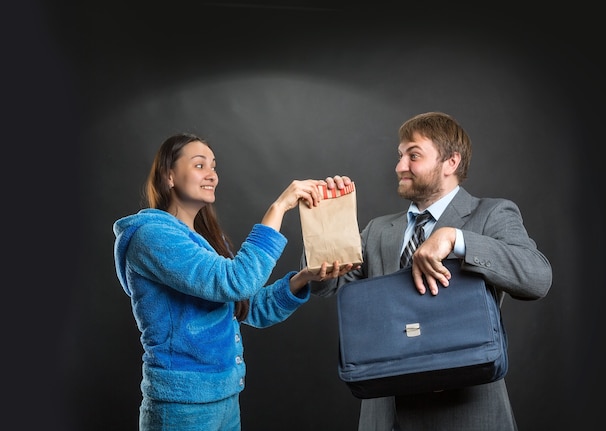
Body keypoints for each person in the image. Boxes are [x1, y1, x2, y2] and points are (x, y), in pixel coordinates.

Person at [309, 112, 553, 431]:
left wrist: (456, 238)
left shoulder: (492, 214)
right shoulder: (377, 230)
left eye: (413, 155)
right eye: (400, 156)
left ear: (451, 161)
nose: (400, 167)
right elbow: (325, 285)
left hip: (466, 415)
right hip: (386, 417)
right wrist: (326, 222)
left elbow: (537, 277)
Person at [112, 132, 356, 431]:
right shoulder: (151, 237)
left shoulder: (204, 243)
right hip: (182, 409)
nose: (212, 175)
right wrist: (278, 208)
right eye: (200, 165)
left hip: (225, 399)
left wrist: (304, 278)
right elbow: (236, 282)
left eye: (214, 166)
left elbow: (248, 307)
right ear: (169, 176)